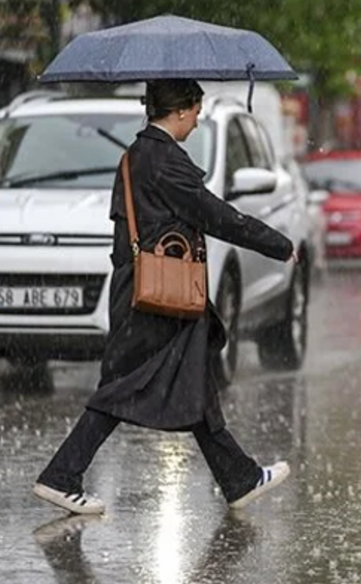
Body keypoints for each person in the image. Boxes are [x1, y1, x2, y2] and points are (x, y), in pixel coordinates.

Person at [34, 79, 297, 515]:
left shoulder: (136, 156)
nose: (197, 120)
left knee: (191, 383)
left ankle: (239, 479)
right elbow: (216, 215)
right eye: (196, 111)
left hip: (142, 290)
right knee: (122, 389)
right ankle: (60, 475)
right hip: (160, 297)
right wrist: (278, 244)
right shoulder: (164, 161)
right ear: (179, 111)